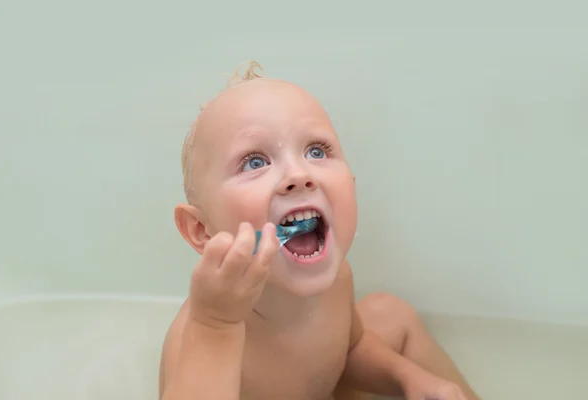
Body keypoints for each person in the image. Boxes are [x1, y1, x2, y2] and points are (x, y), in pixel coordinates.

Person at [158, 60, 480, 400]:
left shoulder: (338, 279)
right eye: (255, 161)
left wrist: (409, 378)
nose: (299, 174)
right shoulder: (199, 335)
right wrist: (217, 326)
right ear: (201, 230)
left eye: (316, 151)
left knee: (390, 314)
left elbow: (348, 350)